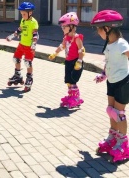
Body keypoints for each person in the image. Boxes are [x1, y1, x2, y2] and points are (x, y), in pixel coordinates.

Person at [91, 10, 129, 162]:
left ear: (107, 28)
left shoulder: (121, 44)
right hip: (111, 81)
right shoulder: (109, 44)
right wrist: (103, 74)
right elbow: (108, 62)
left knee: (119, 113)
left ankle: (123, 143)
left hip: (123, 82)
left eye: (99, 29)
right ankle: (113, 137)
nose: (98, 33)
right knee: (110, 111)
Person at [48, 12, 85, 108]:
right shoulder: (66, 38)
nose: (62, 28)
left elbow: (81, 50)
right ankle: (70, 96)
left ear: (71, 27)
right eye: (62, 27)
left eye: (64, 27)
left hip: (76, 62)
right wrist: (55, 53)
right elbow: (62, 46)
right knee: (68, 81)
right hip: (68, 61)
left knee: (73, 81)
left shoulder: (77, 38)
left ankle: (76, 98)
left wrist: (79, 61)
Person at [6, 2, 39, 92]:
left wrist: (33, 44)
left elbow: (35, 34)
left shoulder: (34, 22)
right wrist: (12, 36)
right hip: (21, 44)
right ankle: (18, 75)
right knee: (16, 59)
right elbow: (20, 30)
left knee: (28, 63)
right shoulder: (23, 20)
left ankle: (29, 78)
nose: (23, 16)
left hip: (29, 46)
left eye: (24, 14)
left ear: (30, 13)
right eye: (21, 14)